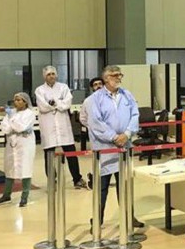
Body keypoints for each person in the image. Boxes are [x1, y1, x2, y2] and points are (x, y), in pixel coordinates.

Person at [88, 65, 143, 227]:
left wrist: (127, 134)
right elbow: (95, 122)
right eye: (115, 75)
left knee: (125, 186)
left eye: (120, 75)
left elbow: (135, 115)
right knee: (102, 188)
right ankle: (97, 221)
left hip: (124, 145)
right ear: (106, 78)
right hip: (104, 148)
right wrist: (113, 137)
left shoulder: (127, 95)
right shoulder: (96, 98)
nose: (119, 77)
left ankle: (129, 218)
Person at [35, 66, 87, 189]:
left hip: (63, 126)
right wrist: (59, 103)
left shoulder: (63, 87)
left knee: (71, 153)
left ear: (56, 75)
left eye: (53, 74)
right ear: (44, 76)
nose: (51, 76)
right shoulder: (39, 90)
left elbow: (67, 104)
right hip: (48, 126)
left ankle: (77, 179)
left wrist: (54, 103)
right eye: (48, 74)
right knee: (49, 155)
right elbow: (43, 107)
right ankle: (52, 181)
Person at [0, 93, 36, 207]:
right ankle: (6, 195)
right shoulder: (11, 113)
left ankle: (24, 196)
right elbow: (5, 128)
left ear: (25, 102)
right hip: (11, 143)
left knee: (25, 168)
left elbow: (22, 127)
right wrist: (14, 125)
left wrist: (12, 122)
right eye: (15, 100)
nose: (16, 102)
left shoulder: (30, 113)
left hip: (25, 144)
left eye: (19, 100)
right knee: (9, 169)